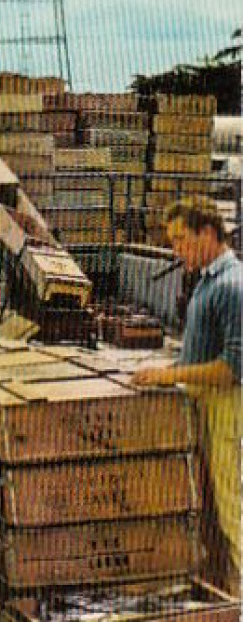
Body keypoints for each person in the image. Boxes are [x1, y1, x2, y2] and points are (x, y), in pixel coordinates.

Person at [131, 197, 241, 589]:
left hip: (227, 407)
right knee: (214, 508)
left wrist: (166, 375)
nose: (176, 250)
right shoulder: (208, 281)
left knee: (233, 510)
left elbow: (231, 370)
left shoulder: (231, 286)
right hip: (204, 402)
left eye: (181, 240)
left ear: (208, 233)